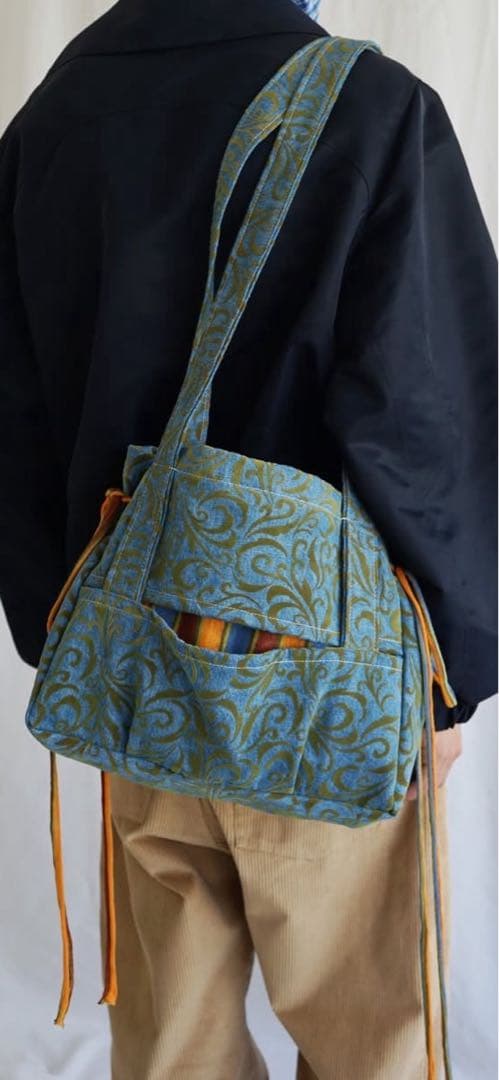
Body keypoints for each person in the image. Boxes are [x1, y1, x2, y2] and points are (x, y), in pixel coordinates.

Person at [0, 1, 496, 1076]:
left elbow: (16, 410)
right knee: (372, 1043)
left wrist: (58, 630)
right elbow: (423, 417)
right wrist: (449, 673)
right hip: (326, 690)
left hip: (139, 674)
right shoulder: (371, 109)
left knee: (171, 1045)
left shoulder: (56, 114)